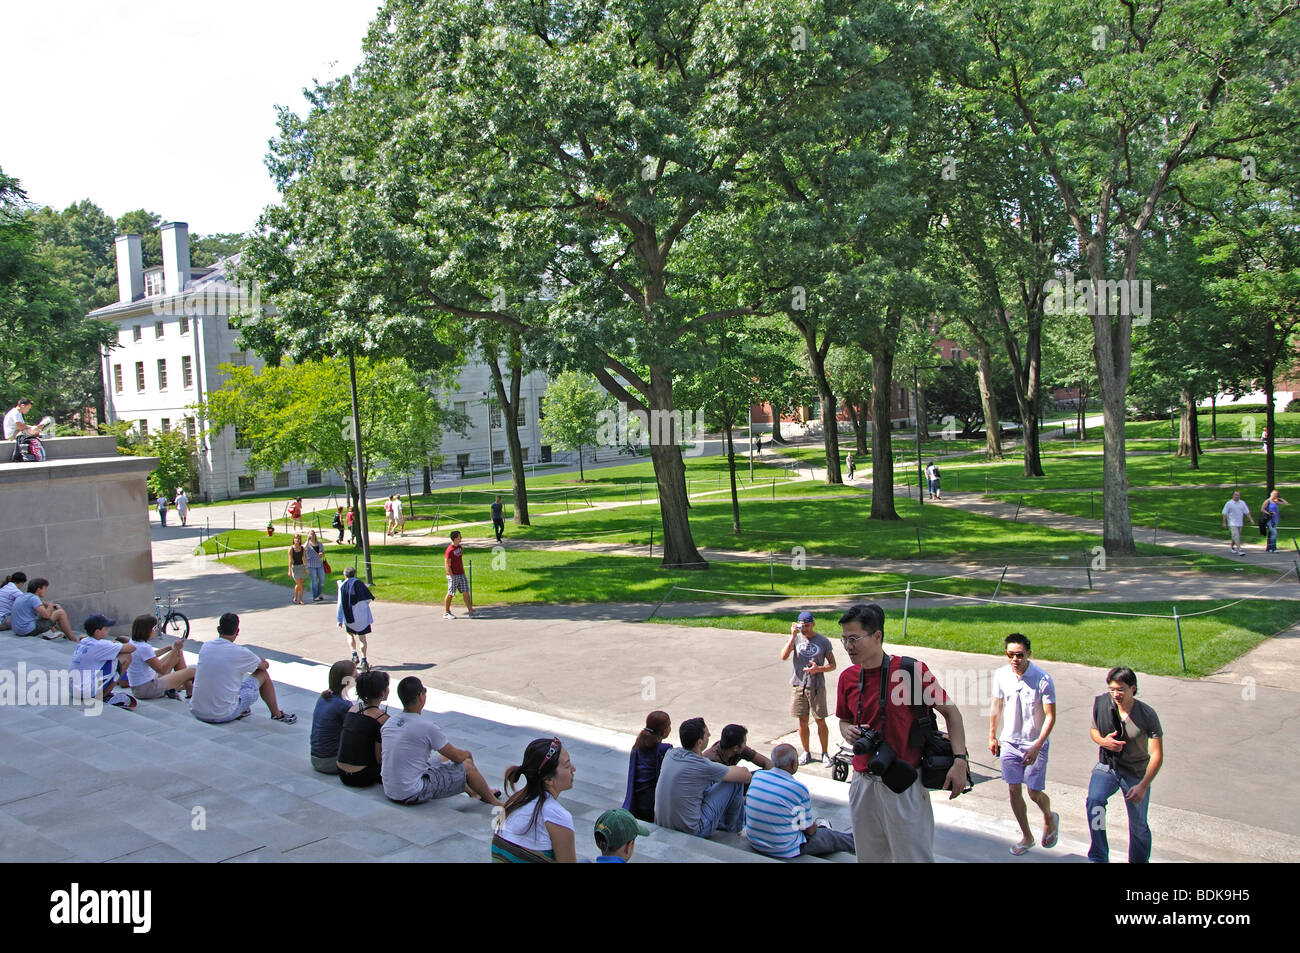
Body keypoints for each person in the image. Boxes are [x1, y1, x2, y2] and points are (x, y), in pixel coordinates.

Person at [835, 602, 970, 863]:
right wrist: (847, 731)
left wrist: (960, 760)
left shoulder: (911, 671)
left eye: (854, 639)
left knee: (912, 857)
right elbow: (843, 720)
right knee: (869, 857)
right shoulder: (848, 678)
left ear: (877, 636)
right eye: (843, 640)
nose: (848, 647)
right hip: (862, 782)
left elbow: (952, 713)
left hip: (904, 784)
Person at [381, 676, 504, 807]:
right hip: (411, 792)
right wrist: (467, 754)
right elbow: (457, 757)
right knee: (467, 764)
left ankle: (474, 791)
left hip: (390, 789)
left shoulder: (390, 722)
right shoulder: (426, 727)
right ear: (420, 696)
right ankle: (493, 801)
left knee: (443, 756)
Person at [989, 633, 1058, 856]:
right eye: (1010, 654)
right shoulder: (1001, 675)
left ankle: (1049, 815)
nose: (1015, 659)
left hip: (1034, 742)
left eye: (1019, 655)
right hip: (1010, 742)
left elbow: (1050, 716)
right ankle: (1027, 836)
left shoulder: (1042, 679)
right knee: (1013, 789)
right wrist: (992, 735)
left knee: (1034, 792)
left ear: (1028, 653)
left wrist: (1038, 745)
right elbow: (996, 706)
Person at [1087, 666, 1164, 864]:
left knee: (1138, 825)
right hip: (1108, 766)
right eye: (1112, 689)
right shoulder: (1103, 704)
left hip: (1136, 773)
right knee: (1094, 802)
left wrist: (1143, 786)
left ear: (1133, 688)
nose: (1115, 694)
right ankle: (1098, 856)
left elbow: (1157, 755)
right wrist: (1103, 741)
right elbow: (1093, 730)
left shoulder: (1147, 714)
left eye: (1120, 689)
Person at [745, 744, 855, 859]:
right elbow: (809, 830)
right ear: (793, 764)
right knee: (831, 836)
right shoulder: (797, 788)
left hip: (756, 842)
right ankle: (863, 846)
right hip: (783, 849)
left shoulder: (758, 776)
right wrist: (818, 827)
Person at [190, 612, 297, 724]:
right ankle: (277, 714)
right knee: (262, 674)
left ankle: (242, 709)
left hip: (197, 711)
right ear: (237, 631)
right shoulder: (241, 652)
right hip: (222, 714)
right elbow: (264, 666)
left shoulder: (206, 646)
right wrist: (258, 658)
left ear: (218, 629)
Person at [654, 717, 752, 838]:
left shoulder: (670, 754)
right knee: (736, 781)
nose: (710, 734)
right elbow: (746, 777)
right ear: (699, 742)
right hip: (694, 830)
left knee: (712, 782)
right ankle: (733, 830)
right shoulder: (702, 765)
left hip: (664, 823)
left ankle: (726, 825)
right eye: (706, 734)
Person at [492, 737, 577, 863]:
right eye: (567, 765)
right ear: (548, 779)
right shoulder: (557, 815)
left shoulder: (514, 801)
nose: (573, 769)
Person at [781, 610, 837, 765]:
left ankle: (825, 753)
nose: (804, 629)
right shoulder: (796, 639)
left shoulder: (823, 641)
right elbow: (783, 656)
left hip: (816, 686)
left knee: (820, 720)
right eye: (802, 626)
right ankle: (806, 752)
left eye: (807, 626)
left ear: (813, 624)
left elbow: (833, 665)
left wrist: (818, 669)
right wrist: (792, 637)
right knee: (802, 721)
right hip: (798, 684)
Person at [70, 615, 136, 710]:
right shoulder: (100, 645)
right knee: (126, 656)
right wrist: (118, 643)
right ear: (97, 631)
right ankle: (105, 695)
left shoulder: (84, 641)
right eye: (106, 628)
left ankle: (101, 691)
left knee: (112, 657)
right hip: (85, 691)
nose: (108, 630)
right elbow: (132, 648)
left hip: (74, 689)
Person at [336, 669, 390, 786]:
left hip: (341, 772)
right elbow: (379, 758)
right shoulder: (382, 719)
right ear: (382, 693)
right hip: (361, 776)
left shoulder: (353, 709)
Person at [124, 614, 195, 701]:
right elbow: (163, 670)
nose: (156, 630)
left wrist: (169, 648)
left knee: (178, 653)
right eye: (155, 628)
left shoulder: (133, 642)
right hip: (148, 689)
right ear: (147, 630)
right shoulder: (144, 648)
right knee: (192, 671)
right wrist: (175, 649)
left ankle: (190, 690)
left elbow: (151, 656)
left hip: (138, 688)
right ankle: (190, 690)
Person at [621, 710, 672, 823]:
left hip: (635, 804)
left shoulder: (637, 746)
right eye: (669, 725)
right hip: (652, 807)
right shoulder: (664, 750)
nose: (670, 728)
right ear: (664, 731)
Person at [310, 660, 357, 774]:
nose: (358, 677)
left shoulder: (324, 696)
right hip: (330, 762)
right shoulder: (344, 704)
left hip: (316, 757)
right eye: (355, 676)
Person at [10, 578, 76, 641]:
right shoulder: (34, 598)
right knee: (60, 613)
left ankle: (53, 633)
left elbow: (40, 607)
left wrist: (49, 606)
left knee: (42, 614)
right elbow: (46, 615)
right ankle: (73, 639)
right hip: (27, 631)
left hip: (18, 630)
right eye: (45, 589)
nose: (46, 591)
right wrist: (50, 605)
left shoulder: (24, 596)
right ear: (39, 589)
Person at [337, 566, 374, 671]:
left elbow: (340, 604)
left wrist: (339, 619)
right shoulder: (360, 584)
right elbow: (368, 599)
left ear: (345, 575)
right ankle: (364, 660)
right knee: (363, 638)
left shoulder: (343, 586)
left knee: (350, 635)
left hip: (350, 617)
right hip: (363, 617)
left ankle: (354, 655)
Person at [702, 723, 773, 770]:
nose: (745, 745)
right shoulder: (711, 760)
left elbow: (766, 762)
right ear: (736, 748)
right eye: (744, 743)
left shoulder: (740, 749)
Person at [443, 530, 475, 620]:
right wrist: (452, 577)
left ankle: (471, 611)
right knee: (451, 593)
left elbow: (460, 561)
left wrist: (463, 572)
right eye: (460, 537)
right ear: (455, 538)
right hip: (453, 575)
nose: (461, 538)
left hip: (461, 574)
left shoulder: (460, 547)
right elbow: (447, 565)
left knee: (466, 592)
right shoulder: (449, 550)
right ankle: (446, 612)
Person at [1221, 490, 1252, 555]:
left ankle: (1232, 547)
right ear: (1233, 495)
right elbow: (1224, 513)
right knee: (1236, 536)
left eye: (1238, 495)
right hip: (1232, 523)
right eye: (1236, 495)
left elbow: (1247, 512)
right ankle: (1239, 550)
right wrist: (1224, 522)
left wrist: (1251, 519)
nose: (1237, 496)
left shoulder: (1242, 503)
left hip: (1240, 523)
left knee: (1235, 536)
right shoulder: (1229, 503)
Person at [304, 530, 327, 602]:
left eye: (313, 534)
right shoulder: (307, 544)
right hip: (311, 565)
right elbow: (303, 548)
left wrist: (322, 554)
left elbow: (323, 552)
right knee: (313, 581)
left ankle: (320, 593)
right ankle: (315, 596)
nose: (312, 536)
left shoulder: (319, 543)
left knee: (322, 579)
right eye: (310, 534)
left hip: (319, 564)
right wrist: (307, 540)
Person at [287, 534, 307, 605]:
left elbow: (304, 558)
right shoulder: (291, 549)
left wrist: (306, 567)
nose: (297, 540)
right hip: (294, 567)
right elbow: (290, 560)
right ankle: (301, 600)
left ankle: (295, 597)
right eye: (295, 538)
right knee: (300, 584)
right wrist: (289, 570)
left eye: (298, 538)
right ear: (293, 539)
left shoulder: (302, 548)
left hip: (301, 567)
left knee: (299, 584)